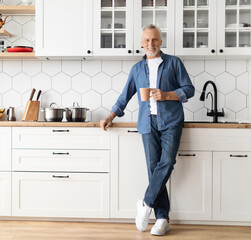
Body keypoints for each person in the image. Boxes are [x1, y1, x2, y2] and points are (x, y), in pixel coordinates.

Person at [100, 24, 195, 236]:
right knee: (154, 169)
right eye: (146, 40)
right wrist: (110, 116)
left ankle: (146, 203)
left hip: (171, 121)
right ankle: (162, 218)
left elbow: (189, 89)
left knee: (167, 163)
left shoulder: (174, 63)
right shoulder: (136, 70)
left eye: (154, 40)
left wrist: (167, 95)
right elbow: (125, 96)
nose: (150, 44)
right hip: (146, 123)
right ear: (141, 43)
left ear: (160, 41)